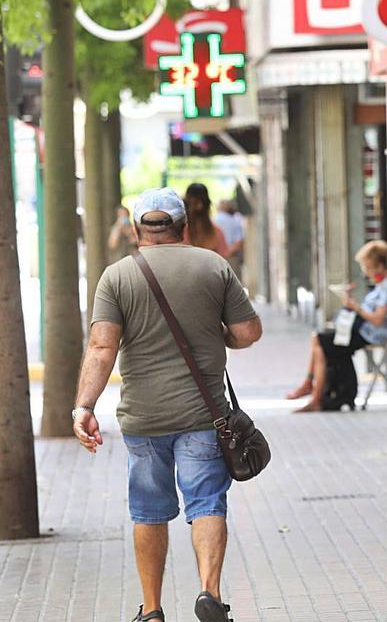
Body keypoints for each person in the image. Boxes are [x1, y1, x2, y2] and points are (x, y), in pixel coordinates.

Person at [72, 187, 263, 622]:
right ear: (184, 228)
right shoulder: (214, 266)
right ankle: (209, 592)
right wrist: (222, 336)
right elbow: (248, 332)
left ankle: (153, 609)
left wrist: (84, 406)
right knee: (207, 504)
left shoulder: (117, 276)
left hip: (143, 417)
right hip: (203, 415)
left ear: (138, 230)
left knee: (148, 511)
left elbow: (102, 348)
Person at [285, 240, 387, 413]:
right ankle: (314, 391)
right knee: (320, 341)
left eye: (368, 267)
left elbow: (378, 320)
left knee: (320, 341)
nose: (365, 273)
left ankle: (314, 394)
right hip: (362, 330)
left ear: (380, 266)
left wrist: (355, 307)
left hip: (370, 333)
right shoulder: (381, 285)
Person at [184, 183, 228, 256]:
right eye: (195, 203)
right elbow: (223, 258)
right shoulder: (217, 232)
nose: (199, 207)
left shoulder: (178, 233)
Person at [213, 200, 245, 279]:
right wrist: (228, 252)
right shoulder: (235, 221)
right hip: (232, 257)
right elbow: (239, 241)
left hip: (216, 257)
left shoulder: (213, 221)